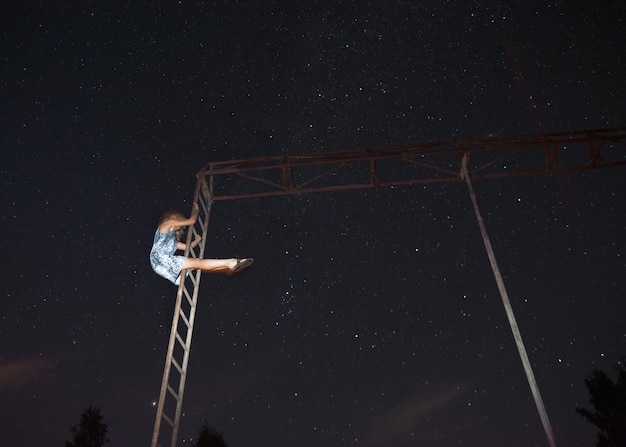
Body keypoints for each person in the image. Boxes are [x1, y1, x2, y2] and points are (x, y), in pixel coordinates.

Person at [150, 203, 253, 285]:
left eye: (178, 226)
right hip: (160, 259)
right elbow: (192, 221)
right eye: (178, 224)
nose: (178, 227)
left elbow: (188, 247)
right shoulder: (165, 224)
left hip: (163, 266)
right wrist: (196, 210)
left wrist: (198, 240)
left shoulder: (172, 241)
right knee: (198, 262)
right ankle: (230, 262)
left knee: (198, 265)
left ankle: (228, 265)